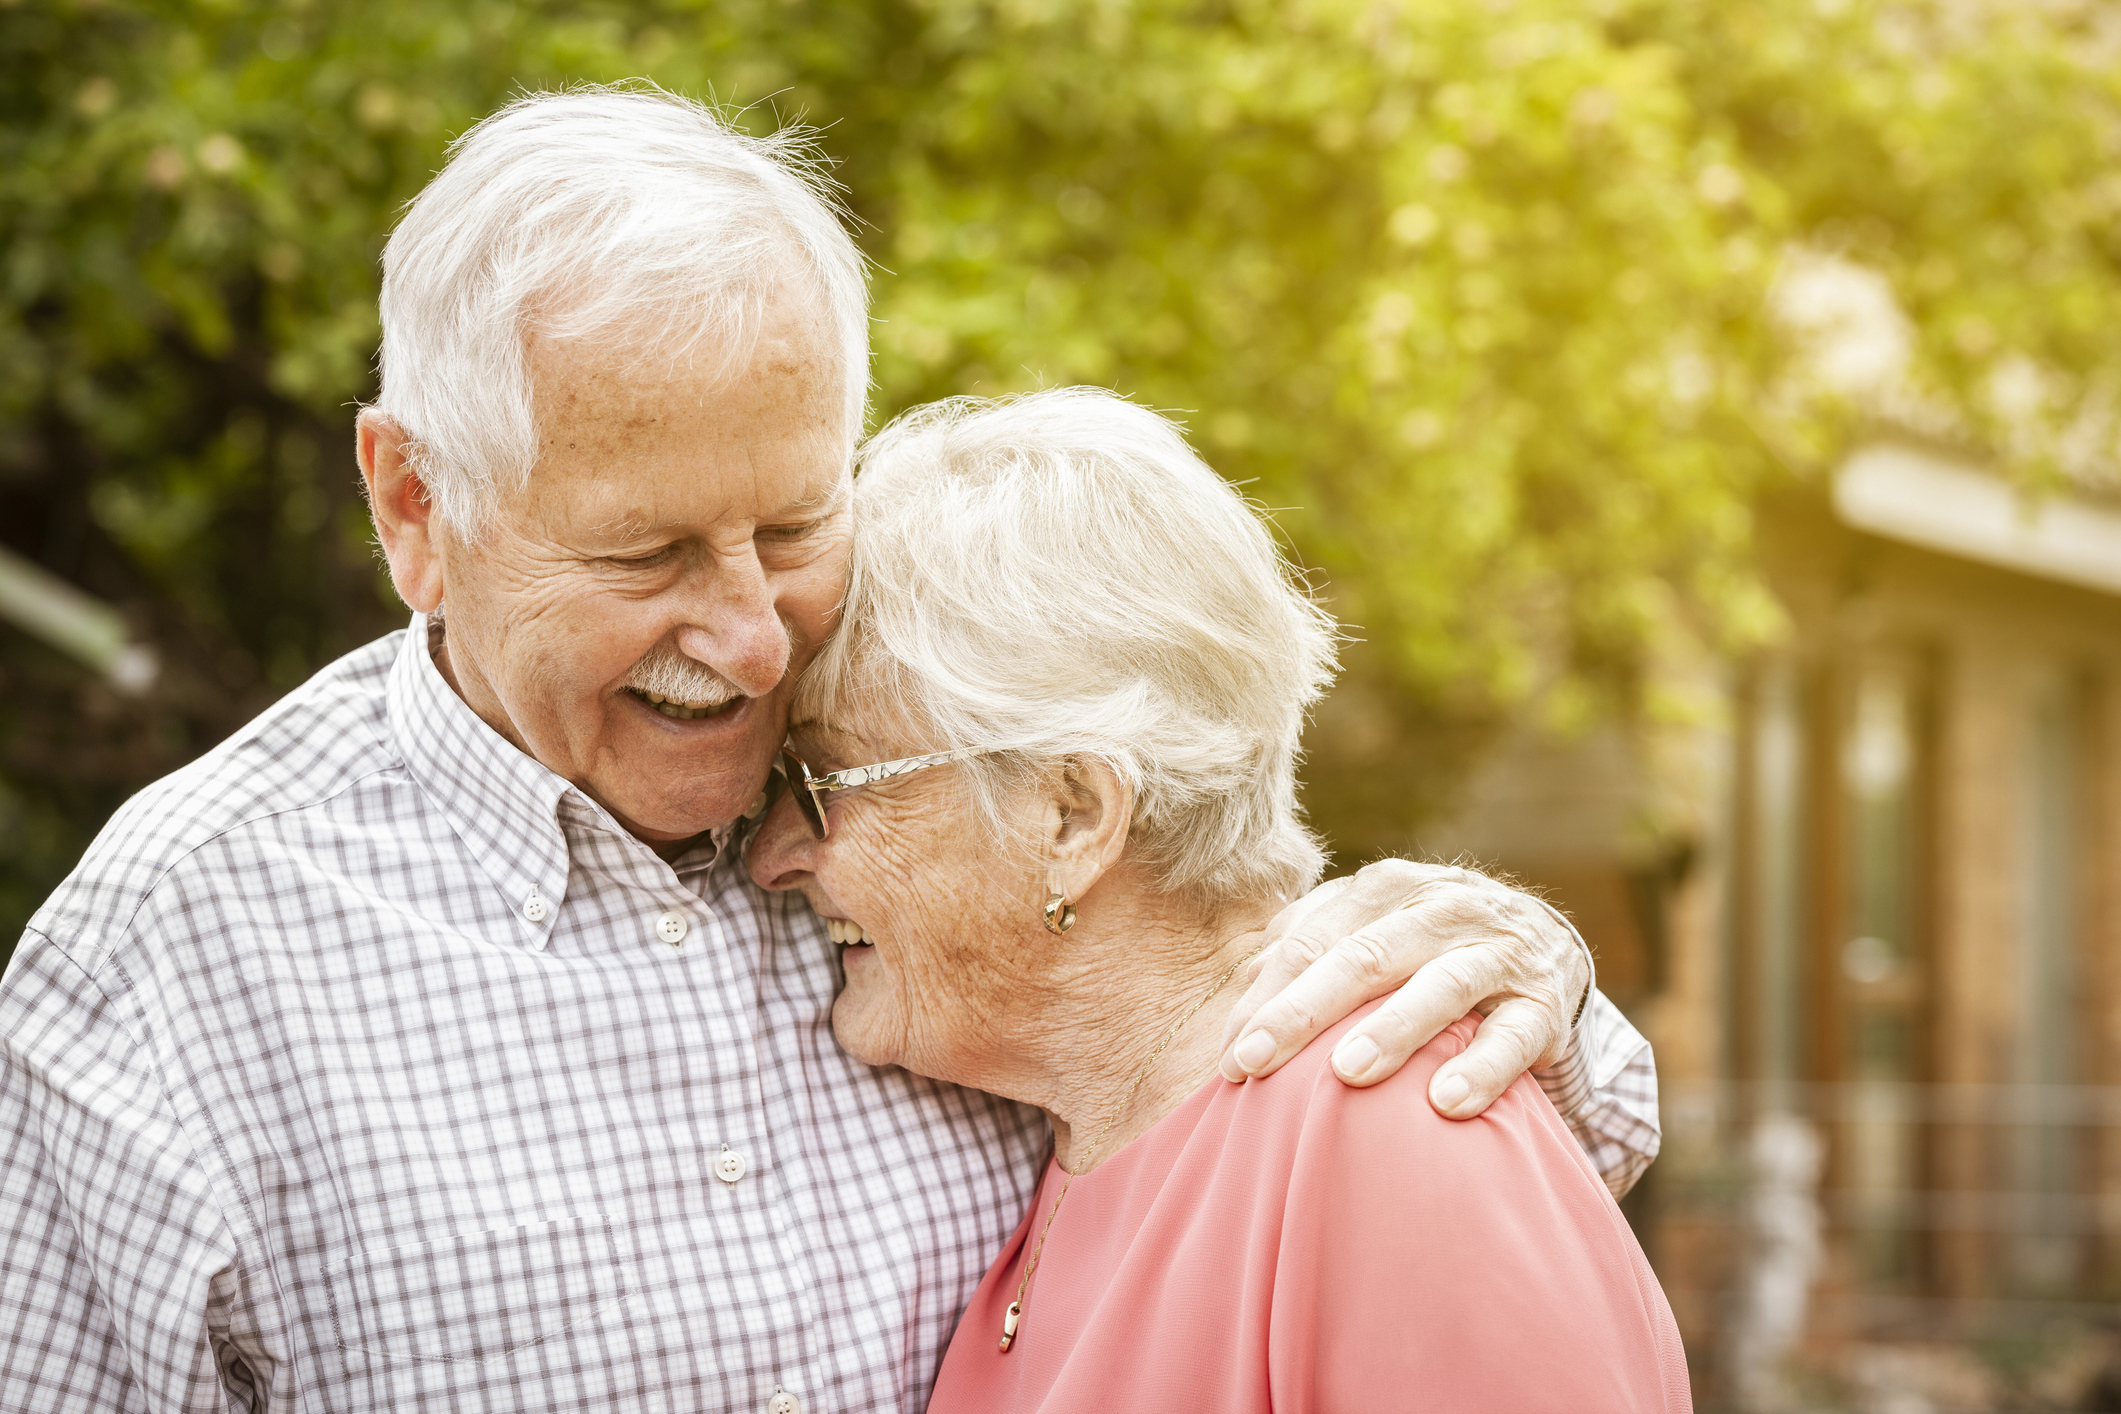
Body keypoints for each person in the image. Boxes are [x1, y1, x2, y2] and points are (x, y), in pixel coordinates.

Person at [0, 88, 1657, 1413]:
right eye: (645, 556)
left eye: (793, 522)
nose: (747, 638)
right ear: (416, 504)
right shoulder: (164, 966)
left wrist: (1543, 985)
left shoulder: (936, 770)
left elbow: (1258, 1016)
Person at [748, 388, 1690, 1412]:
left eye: (821, 779)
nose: (774, 854)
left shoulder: (1383, 1125)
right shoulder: (1056, 1147)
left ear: (1071, 814)